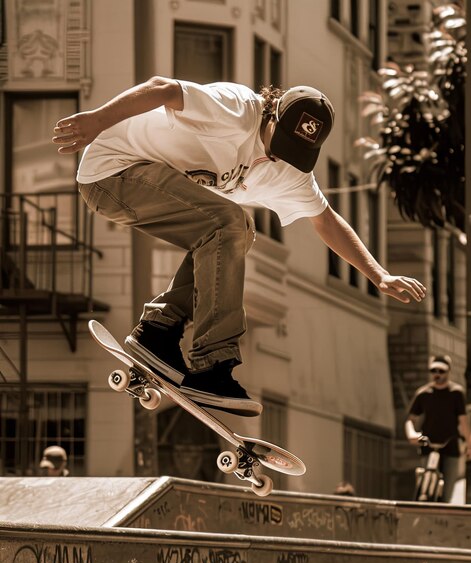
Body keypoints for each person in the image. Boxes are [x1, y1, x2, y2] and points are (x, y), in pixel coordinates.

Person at [52, 76, 426, 416]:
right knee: (227, 222)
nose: (277, 157)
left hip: (142, 184)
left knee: (239, 230)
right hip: (111, 171)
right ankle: (212, 363)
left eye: (293, 152)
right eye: (278, 142)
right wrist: (96, 121)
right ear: (270, 114)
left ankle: (158, 330)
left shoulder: (289, 170)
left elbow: (325, 219)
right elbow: (162, 88)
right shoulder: (234, 107)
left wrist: (379, 275)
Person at [405, 355, 470, 503]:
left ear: (448, 372)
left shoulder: (456, 393)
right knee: (425, 486)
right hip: (428, 445)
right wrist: (412, 434)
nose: (437, 374)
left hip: (450, 447)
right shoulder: (423, 394)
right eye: (434, 371)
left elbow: (463, 422)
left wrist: (469, 444)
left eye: (441, 371)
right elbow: (410, 420)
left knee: (447, 493)